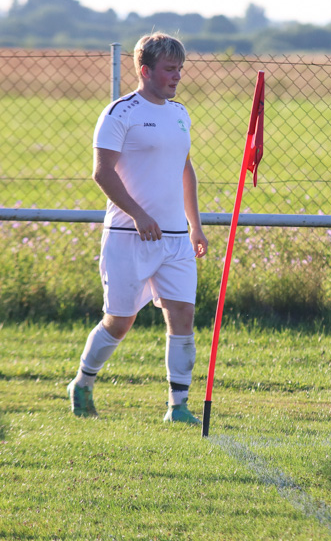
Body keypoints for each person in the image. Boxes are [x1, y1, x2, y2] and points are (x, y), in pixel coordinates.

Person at [67, 32, 208, 424]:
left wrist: (195, 226)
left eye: (180, 69)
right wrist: (138, 214)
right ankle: (82, 383)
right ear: (145, 71)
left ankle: (177, 407)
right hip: (129, 238)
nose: (177, 76)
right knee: (120, 321)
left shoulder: (180, 114)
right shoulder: (119, 113)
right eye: (169, 69)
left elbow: (185, 169)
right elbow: (102, 173)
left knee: (182, 316)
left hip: (176, 239)